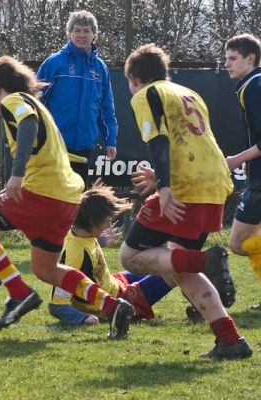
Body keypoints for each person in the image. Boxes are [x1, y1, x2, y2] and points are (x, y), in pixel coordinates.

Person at [0, 55, 134, 338]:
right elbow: (39, 166)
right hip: (64, 200)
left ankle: (18, 293)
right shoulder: (39, 107)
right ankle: (113, 306)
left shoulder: (14, 101)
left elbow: (27, 131)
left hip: (41, 195)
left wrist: (15, 174)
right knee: (46, 269)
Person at [121, 43, 252, 360]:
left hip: (186, 188)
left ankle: (207, 261)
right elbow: (191, 142)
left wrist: (164, 186)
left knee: (131, 256)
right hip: (215, 184)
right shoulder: (187, 93)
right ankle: (230, 341)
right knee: (181, 268)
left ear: (135, 78)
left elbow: (158, 139)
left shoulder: (146, 94)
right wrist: (163, 178)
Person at [49, 181, 175, 325]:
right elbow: (57, 306)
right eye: (107, 221)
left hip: (115, 282)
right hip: (119, 299)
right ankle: (200, 308)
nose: (109, 225)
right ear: (91, 222)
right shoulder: (74, 257)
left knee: (154, 262)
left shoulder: (79, 234)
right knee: (174, 270)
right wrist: (83, 318)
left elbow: (85, 254)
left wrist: (101, 240)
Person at [36, 10, 118, 185]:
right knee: (53, 195)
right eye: (77, 30)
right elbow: (36, 102)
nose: (82, 35)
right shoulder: (54, 63)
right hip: (55, 144)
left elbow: (106, 109)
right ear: (69, 33)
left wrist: (110, 141)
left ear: (94, 34)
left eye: (87, 31)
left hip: (85, 145)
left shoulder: (100, 68)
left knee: (77, 198)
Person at [224, 33, 261, 310]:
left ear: (251, 59)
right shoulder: (252, 85)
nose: (227, 64)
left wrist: (237, 159)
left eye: (232, 58)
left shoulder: (254, 87)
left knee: (238, 242)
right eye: (226, 58)